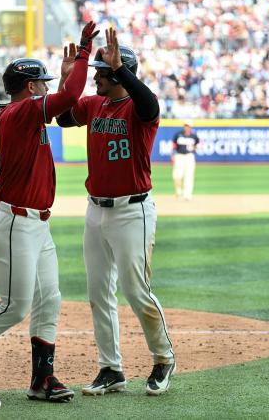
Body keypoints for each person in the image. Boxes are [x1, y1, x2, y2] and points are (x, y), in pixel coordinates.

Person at [0, 21, 99, 403]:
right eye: (43, 82)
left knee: (49, 297)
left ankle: (42, 379)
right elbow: (70, 96)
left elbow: (64, 98)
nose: (48, 86)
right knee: (13, 306)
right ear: (30, 86)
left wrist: (69, 79)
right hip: (16, 222)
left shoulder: (16, 113)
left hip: (35, 222)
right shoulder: (19, 114)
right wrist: (84, 50)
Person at [56, 27, 176, 396]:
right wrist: (66, 81)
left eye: (101, 72)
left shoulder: (141, 108)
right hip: (95, 211)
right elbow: (62, 119)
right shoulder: (94, 104)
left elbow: (150, 104)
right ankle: (111, 368)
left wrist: (121, 69)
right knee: (98, 292)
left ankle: (163, 357)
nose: (95, 77)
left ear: (120, 72)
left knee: (135, 290)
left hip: (132, 211)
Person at [171, 120, 200, 200]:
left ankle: (187, 194)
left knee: (189, 176)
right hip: (179, 156)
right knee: (177, 175)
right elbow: (174, 145)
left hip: (189, 156)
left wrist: (194, 149)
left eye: (188, 126)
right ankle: (178, 192)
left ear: (191, 127)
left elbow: (197, 145)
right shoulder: (178, 134)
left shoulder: (194, 136)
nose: (187, 127)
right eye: (186, 125)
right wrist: (173, 155)